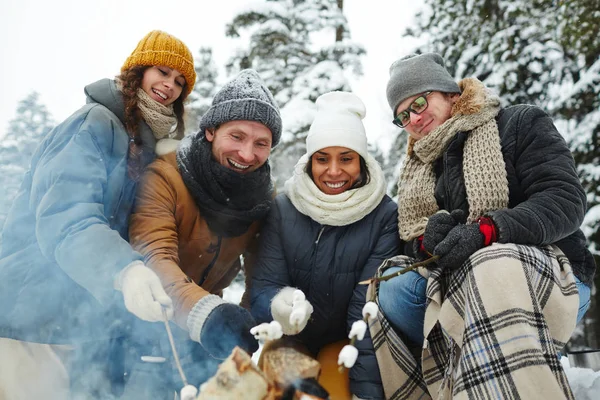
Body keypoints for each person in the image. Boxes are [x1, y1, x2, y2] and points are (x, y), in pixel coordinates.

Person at [373, 52, 596, 399]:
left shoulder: (519, 123)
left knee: (490, 262)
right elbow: (413, 238)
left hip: (550, 274)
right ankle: (467, 370)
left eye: (419, 102)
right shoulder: (418, 167)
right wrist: (427, 246)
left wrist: (489, 230)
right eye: (403, 115)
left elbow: (565, 200)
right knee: (391, 283)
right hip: (458, 288)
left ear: (449, 93)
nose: (414, 118)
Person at [0, 30, 196, 399]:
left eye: (180, 82)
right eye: (162, 71)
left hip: (76, 319)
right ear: (138, 70)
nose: (170, 85)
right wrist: (125, 269)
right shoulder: (94, 122)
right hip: (26, 313)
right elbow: (65, 213)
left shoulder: (139, 141)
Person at [122, 69, 282, 398]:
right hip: (143, 323)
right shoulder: (166, 176)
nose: (247, 154)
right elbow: (154, 256)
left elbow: (261, 277)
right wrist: (207, 313)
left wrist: (247, 325)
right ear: (210, 131)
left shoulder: (263, 201)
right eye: (236, 136)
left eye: (261, 143)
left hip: (206, 334)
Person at [250, 91, 401, 400]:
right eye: (322, 159)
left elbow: (367, 312)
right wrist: (280, 304)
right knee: (287, 395)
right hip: (289, 339)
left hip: (345, 342)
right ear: (309, 162)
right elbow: (263, 285)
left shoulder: (384, 216)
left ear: (361, 160)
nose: (333, 171)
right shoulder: (283, 210)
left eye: (346, 158)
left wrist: (365, 394)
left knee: (331, 395)